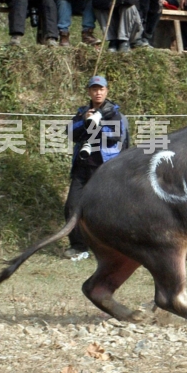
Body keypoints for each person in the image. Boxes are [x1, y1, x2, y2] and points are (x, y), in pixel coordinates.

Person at [63, 75, 128, 258]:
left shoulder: (114, 113)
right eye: (94, 89)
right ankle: (78, 247)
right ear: (89, 92)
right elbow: (70, 133)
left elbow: (116, 136)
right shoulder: (83, 111)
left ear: (106, 91)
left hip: (105, 169)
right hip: (82, 168)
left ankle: (111, 247)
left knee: (107, 210)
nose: (98, 92)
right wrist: (85, 120)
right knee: (71, 206)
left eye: (101, 89)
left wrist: (97, 124)